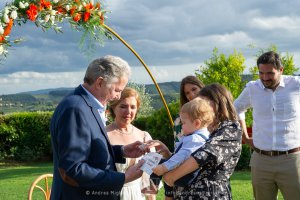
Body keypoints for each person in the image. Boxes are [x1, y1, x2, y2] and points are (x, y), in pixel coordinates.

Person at [50, 55, 147, 200]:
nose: (117, 96)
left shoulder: (86, 104)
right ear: (100, 82)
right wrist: (123, 178)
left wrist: (121, 151)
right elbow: (72, 169)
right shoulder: (76, 109)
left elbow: (89, 150)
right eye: (117, 90)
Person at [149, 83, 242, 199]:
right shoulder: (199, 128)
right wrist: (168, 154)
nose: (200, 106)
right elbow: (187, 156)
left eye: (203, 101)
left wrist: (171, 176)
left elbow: (205, 154)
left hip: (209, 194)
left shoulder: (230, 127)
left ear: (218, 102)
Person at [234, 51, 300, 200]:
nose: (265, 78)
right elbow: (236, 109)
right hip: (261, 160)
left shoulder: (296, 85)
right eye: (261, 73)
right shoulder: (252, 88)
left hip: (293, 160)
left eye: (270, 73)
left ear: (281, 70)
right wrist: (245, 136)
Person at [106, 87, 156, 200]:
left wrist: (151, 198)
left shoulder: (145, 137)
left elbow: (149, 176)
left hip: (137, 195)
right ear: (113, 107)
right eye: (123, 106)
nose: (128, 111)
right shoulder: (103, 135)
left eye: (133, 107)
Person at [152, 97, 214, 185]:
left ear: (197, 123)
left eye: (183, 123)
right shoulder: (203, 137)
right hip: (187, 174)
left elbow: (181, 156)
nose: (182, 126)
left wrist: (163, 167)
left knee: (155, 165)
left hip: (186, 176)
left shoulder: (195, 139)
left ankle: (152, 188)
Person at [174, 75, 205, 142]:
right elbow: (178, 147)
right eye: (187, 93)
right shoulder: (180, 119)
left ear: (201, 87)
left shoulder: (214, 111)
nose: (191, 94)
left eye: (194, 89)